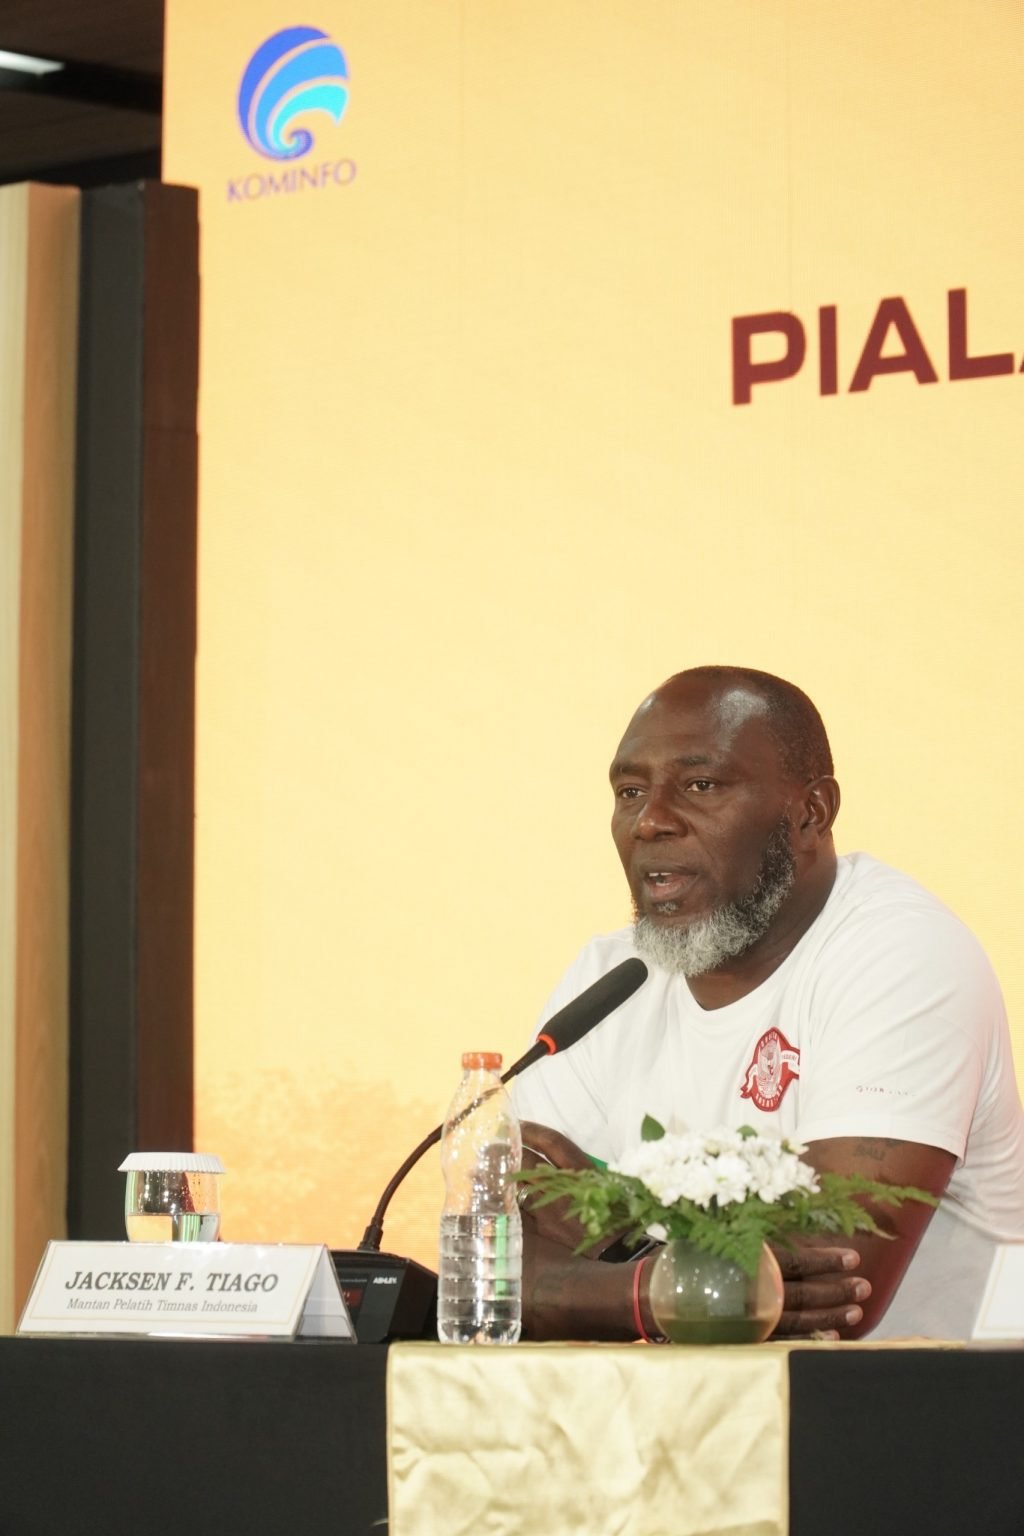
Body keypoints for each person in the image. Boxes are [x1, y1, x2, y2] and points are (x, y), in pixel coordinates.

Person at [512, 666, 1024, 1340]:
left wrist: (617, 1243)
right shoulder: (606, 982)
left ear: (811, 813)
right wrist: (654, 1276)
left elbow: (832, 1286)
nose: (651, 820)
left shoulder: (901, 953)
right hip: (680, 1401)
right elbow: (493, 1269)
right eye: (630, 791)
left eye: (701, 785)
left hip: (920, 1400)